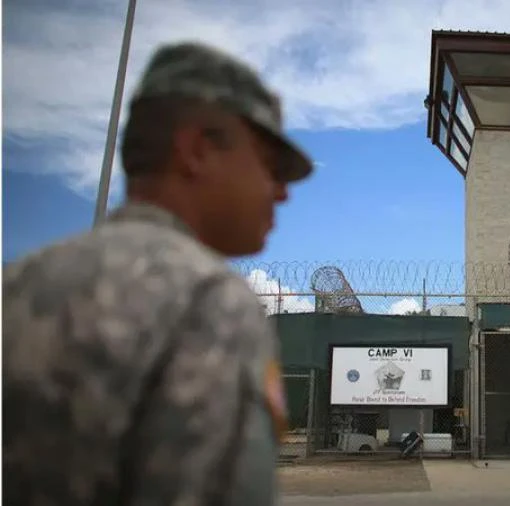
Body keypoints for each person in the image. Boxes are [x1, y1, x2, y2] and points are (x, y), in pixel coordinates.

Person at [3, 41, 314, 505]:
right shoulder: (208, 302)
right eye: (271, 166)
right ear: (197, 150)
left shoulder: (17, 285)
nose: (282, 193)